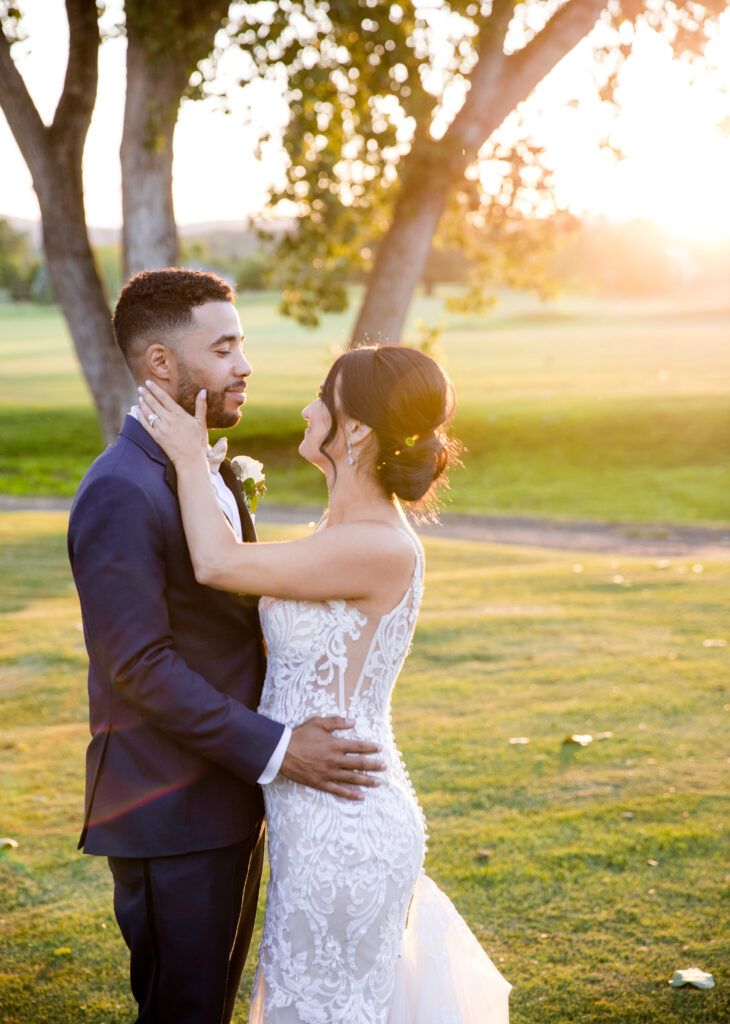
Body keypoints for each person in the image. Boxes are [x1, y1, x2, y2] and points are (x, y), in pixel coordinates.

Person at [137, 342, 512, 1023]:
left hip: (346, 824)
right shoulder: (341, 529)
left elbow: (218, 564)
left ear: (358, 428)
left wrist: (190, 457)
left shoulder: (378, 544)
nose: (308, 408)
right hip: (312, 815)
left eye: (322, 396)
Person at [67, 269, 386, 1024]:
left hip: (226, 800)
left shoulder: (199, 474)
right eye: (226, 347)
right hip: (171, 813)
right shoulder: (122, 489)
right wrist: (280, 749)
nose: (245, 365)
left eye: (242, 344)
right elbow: (139, 668)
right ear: (162, 366)